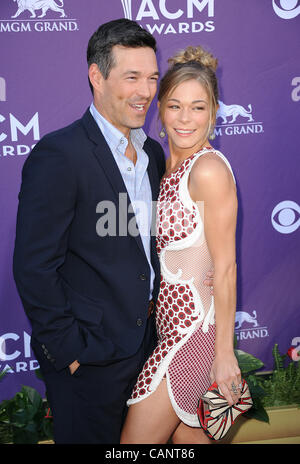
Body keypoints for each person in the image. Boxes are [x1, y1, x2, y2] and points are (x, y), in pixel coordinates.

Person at [12, 19, 165, 444]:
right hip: (89, 359)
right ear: (96, 77)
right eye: (131, 77)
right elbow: (34, 266)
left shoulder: (153, 153)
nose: (146, 91)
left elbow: (144, 251)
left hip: (148, 351)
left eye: (152, 77)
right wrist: (71, 352)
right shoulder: (60, 154)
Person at [121, 45, 242, 445]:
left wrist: (224, 355)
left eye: (198, 107)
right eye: (175, 106)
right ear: (160, 108)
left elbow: (224, 268)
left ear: (213, 111)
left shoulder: (207, 169)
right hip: (169, 331)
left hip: (194, 337)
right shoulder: (164, 166)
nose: (185, 119)